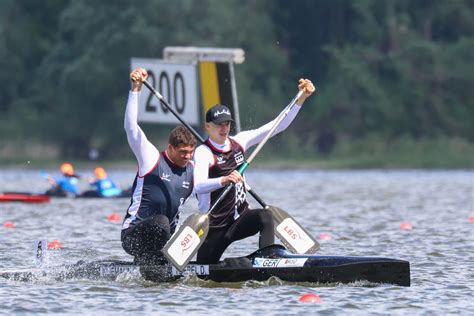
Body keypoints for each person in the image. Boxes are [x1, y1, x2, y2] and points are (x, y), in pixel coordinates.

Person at [193, 78, 316, 264]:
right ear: (207, 126)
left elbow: (276, 126)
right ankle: (232, 264)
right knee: (205, 269)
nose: (224, 128)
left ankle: (267, 261)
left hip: (239, 219)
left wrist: (301, 99)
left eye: (226, 123)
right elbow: (198, 186)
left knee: (265, 216)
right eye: (219, 124)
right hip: (215, 226)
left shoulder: (240, 141)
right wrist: (224, 180)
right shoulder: (203, 153)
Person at [121, 67, 197, 265]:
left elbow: (210, 189)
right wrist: (135, 90)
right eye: (182, 153)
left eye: (190, 152)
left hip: (164, 240)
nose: (187, 157)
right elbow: (131, 127)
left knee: (195, 224)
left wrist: (226, 178)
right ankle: (155, 262)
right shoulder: (151, 157)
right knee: (162, 221)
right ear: (170, 148)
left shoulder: (194, 170)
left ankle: (161, 261)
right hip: (133, 235)